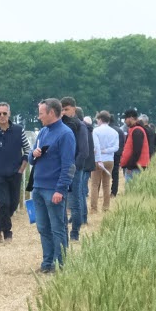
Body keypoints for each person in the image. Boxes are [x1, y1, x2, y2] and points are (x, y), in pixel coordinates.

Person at [29, 98, 76, 272]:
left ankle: (60, 264)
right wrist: (34, 154)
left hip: (53, 190)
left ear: (51, 112)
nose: (39, 116)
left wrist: (60, 189)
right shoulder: (42, 132)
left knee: (58, 228)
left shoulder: (65, 134)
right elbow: (30, 159)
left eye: (41, 113)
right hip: (38, 187)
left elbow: (69, 165)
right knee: (43, 227)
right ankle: (47, 262)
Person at [0, 102, 30, 242]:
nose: (2, 116)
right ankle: (7, 233)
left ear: (9, 114)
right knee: (4, 203)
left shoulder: (19, 130)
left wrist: (21, 169)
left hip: (15, 173)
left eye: (4, 113)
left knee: (13, 204)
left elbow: (27, 150)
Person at [59, 97, 89, 241]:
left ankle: (75, 232)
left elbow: (84, 151)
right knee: (62, 202)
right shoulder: (60, 124)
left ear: (74, 109)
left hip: (75, 169)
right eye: (62, 109)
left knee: (75, 202)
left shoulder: (80, 126)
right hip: (61, 169)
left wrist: (73, 168)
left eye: (66, 109)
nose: (64, 112)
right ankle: (63, 230)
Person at [90, 110, 118, 213]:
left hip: (98, 160)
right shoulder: (114, 132)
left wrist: (98, 157)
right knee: (106, 184)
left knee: (94, 184)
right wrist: (106, 151)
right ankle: (106, 207)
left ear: (100, 119)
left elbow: (96, 146)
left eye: (97, 120)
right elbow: (116, 147)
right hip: (110, 160)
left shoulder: (96, 131)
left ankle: (94, 208)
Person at [121, 108, 150, 184]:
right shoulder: (135, 129)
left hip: (135, 168)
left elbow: (137, 151)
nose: (125, 121)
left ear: (131, 118)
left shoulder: (137, 131)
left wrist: (130, 166)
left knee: (131, 191)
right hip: (135, 166)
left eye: (126, 118)